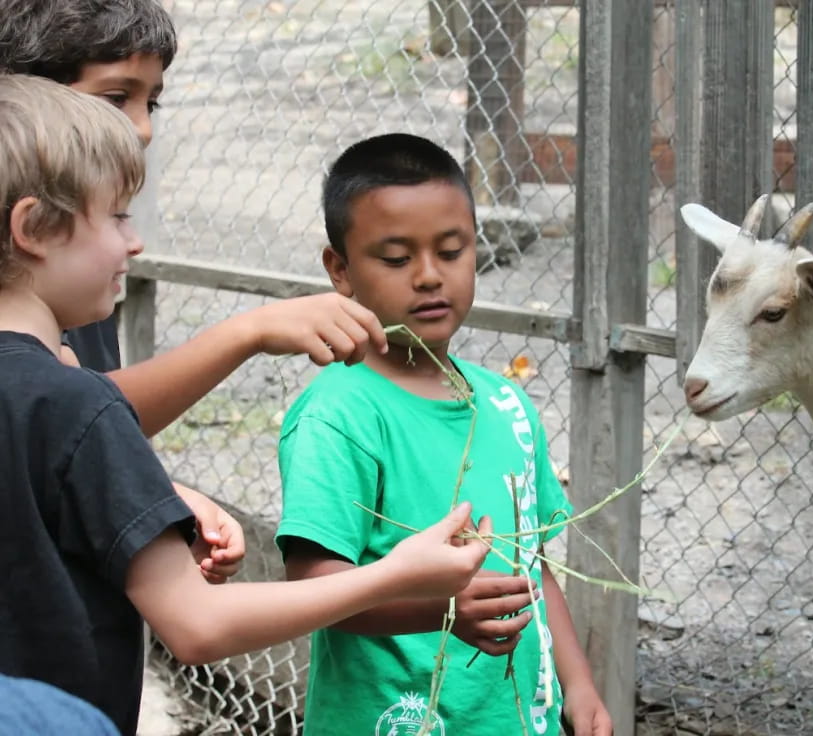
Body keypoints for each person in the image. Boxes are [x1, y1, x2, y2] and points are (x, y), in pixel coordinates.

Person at [0, 73, 492, 736]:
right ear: (33, 227)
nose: (134, 241)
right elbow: (197, 626)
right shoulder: (81, 408)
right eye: (117, 214)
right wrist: (397, 576)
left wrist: (154, 491)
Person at [0, 0, 392, 582]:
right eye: (116, 98)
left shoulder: (73, 276)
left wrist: (157, 490)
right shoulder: (53, 271)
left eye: (152, 101)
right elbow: (75, 415)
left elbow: (62, 437)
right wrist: (248, 332)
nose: (143, 128)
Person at [276, 133, 613, 735]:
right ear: (340, 269)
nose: (429, 277)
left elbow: (531, 569)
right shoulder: (339, 416)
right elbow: (312, 587)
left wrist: (578, 684)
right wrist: (443, 610)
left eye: (451, 251)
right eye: (397, 259)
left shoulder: (508, 404)